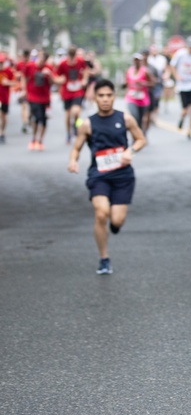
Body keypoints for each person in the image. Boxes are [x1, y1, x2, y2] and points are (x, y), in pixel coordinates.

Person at [68, 78, 147, 274]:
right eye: (101, 96)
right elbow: (76, 148)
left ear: (114, 97)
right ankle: (104, 259)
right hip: (99, 176)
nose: (105, 99)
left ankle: (115, 224)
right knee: (101, 212)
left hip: (122, 176)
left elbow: (140, 139)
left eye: (109, 95)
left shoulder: (125, 119)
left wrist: (131, 151)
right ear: (95, 98)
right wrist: (73, 161)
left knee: (117, 220)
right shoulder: (87, 124)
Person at [23, 51, 63, 151]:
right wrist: (24, 90)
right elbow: (25, 78)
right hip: (33, 96)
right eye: (40, 59)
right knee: (36, 117)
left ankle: (40, 140)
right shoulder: (30, 66)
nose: (41, 62)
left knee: (44, 120)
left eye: (43, 60)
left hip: (45, 98)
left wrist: (49, 75)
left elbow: (54, 82)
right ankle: (33, 139)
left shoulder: (48, 68)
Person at [171, 36, 191, 140]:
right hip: (183, 85)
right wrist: (176, 76)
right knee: (185, 110)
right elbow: (172, 65)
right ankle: (182, 118)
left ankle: (190, 129)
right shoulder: (180, 54)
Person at [57, 46, 88, 143]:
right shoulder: (63, 64)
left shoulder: (80, 61)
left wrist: (84, 80)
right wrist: (60, 80)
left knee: (76, 112)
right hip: (67, 91)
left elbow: (86, 70)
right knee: (68, 114)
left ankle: (76, 125)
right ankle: (68, 132)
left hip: (77, 90)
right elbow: (58, 75)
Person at [124, 53, 152, 132]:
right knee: (134, 115)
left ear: (141, 61)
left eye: (138, 60)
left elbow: (153, 83)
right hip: (131, 97)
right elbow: (125, 82)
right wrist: (125, 84)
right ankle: (135, 135)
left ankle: (141, 133)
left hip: (142, 98)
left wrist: (143, 83)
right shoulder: (129, 71)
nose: (136, 62)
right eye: (135, 60)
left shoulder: (146, 71)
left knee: (141, 118)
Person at [146, 45, 167, 124]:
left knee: (156, 99)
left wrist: (166, 75)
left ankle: (154, 116)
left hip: (159, 82)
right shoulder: (148, 59)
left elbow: (165, 69)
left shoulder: (162, 59)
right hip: (150, 83)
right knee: (150, 100)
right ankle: (149, 115)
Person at [0, 52, 14, 143]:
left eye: (1, 63)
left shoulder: (8, 71)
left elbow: (15, 83)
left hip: (5, 97)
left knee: (4, 117)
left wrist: (7, 82)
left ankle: (3, 132)